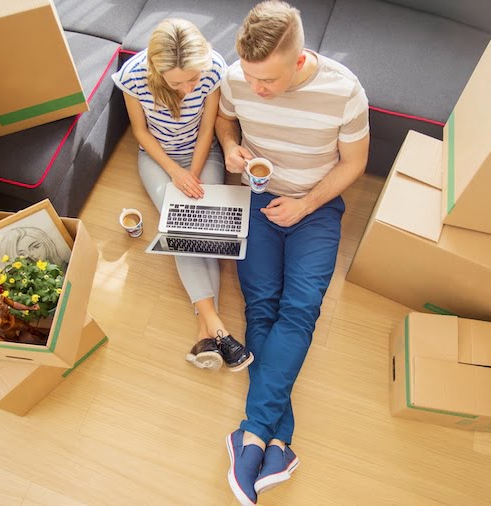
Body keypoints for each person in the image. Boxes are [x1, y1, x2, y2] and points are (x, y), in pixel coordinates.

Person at [215, 1, 370, 503]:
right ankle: (277, 443)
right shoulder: (237, 77)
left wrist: (305, 205)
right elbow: (225, 122)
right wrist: (231, 147)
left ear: (300, 60)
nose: (256, 88)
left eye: (268, 80)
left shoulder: (345, 91)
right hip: (259, 199)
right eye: (250, 77)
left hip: (316, 207)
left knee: (299, 309)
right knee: (261, 307)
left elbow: (354, 164)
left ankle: (252, 435)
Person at [112, 18, 253, 372]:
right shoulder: (133, 76)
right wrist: (175, 172)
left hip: (202, 153)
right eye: (178, 83)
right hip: (157, 159)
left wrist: (193, 171)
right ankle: (216, 327)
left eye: (194, 79)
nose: (189, 88)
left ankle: (206, 333)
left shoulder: (213, 68)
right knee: (181, 227)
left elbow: (207, 129)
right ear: (157, 71)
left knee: (203, 227)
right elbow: (141, 133)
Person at [0, 226, 70, 269]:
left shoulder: (66, 264)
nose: (32, 255)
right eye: (22, 254)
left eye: (36, 246)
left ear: (45, 242)